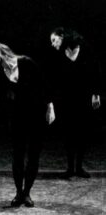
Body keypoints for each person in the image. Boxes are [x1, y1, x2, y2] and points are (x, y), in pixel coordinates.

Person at [0, 42, 54, 207]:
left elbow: (44, 84)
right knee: (17, 157)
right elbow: (0, 102)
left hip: (36, 116)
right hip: (17, 118)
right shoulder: (1, 73)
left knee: (33, 156)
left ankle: (27, 193)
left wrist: (50, 106)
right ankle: (19, 193)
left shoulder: (26, 62)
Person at [48, 27, 101, 179]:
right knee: (68, 133)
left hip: (83, 97)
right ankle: (70, 167)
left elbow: (95, 71)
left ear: (62, 37)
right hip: (65, 99)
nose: (53, 44)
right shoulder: (59, 54)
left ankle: (79, 167)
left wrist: (96, 94)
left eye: (54, 40)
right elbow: (53, 77)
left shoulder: (84, 49)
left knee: (82, 132)